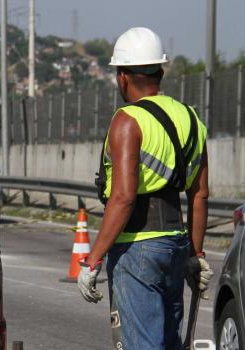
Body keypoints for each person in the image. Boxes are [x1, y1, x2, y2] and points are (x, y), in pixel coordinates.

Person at [77, 27, 213, 349]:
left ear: (123, 76)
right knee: (169, 343)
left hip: (136, 247)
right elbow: (200, 195)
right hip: (175, 245)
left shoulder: (127, 121)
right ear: (160, 71)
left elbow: (123, 198)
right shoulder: (190, 118)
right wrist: (195, 254)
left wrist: (93, 260)